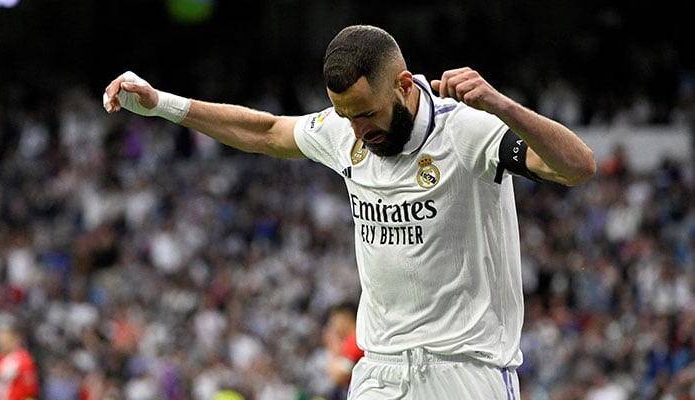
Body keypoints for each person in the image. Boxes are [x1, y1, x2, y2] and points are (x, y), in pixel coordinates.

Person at [103, 24, 595, 399]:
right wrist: (164, 104)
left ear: (404, 85)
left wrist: (500, 105)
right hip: (379, 370)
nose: (357, 131)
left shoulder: (466, 130)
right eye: (345, 116)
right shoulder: (346, 129)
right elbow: (269, 131)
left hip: (466, 370)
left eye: (367, 114)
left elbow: (577, 167)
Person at [323, 301, 364, 399]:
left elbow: (338, 377)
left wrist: (332, 348)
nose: (333, 326)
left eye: (335, 320)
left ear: (346, 318)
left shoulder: (355, 340)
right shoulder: (349, 341)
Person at [0, 314, 39, 400]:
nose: (0, 339)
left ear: (14, 336)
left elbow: (31, 393)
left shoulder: (23, 359)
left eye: (4, 334)